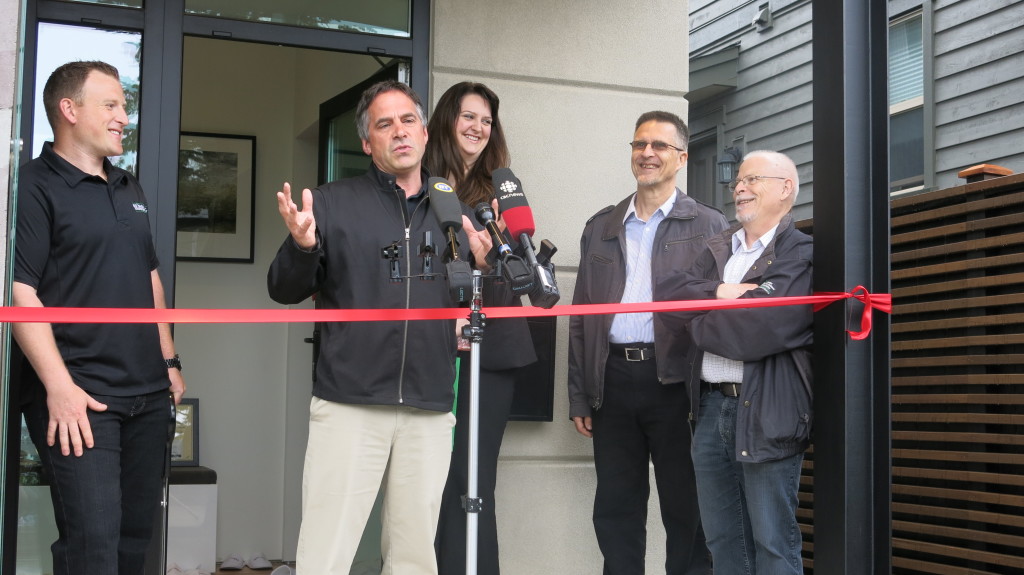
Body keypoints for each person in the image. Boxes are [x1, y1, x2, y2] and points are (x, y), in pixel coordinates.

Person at [267, 80, 493, 575]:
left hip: (429, 405)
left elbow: (471, 306)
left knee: (415, 557)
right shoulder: (331, 202)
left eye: (408, 120)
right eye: (384, 124)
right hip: (349, 402)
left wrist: (482, 269)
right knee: (325, 554)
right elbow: (282, 289)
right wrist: (303, 246)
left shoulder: (453, 208)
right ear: (367, 143)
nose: (400, 132)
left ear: (426, 132)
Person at [12, 60, 186, 575]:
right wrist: (59, 388)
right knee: (91, 547)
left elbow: (149, 279)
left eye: (123, 106)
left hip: (148, 396)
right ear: (70, 109)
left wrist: (170, 363)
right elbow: (21, 294)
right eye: (111, 104)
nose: (122, 117)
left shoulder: (128, 187)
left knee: (136, 545)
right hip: (81, 397)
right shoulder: (33, 187)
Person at [567, 110, 727, 575]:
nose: (647, 154)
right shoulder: (602, 226)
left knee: (687, 508)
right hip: (612, 381)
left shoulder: (709, 224)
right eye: (639, 145)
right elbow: (580, 317)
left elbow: (718, 315)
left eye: (658, 146)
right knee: (615, 509)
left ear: (681, 157)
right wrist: (580, 392)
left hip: (678, 382)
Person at [654, 150, 813, 575]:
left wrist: (698, 320)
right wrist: (726, 293)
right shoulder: (717, 248)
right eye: (737, 181)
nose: (739, 188)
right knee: (723, 541)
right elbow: (668, 295)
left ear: (786, 189)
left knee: (773, 543)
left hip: (767, 411)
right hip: (708, 410)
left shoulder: (799, 252)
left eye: (753, 179)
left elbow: (760, 331)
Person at [425, 82, 537, 575]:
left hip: (489, 356)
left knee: (474, 479)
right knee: (429, 479)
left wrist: (492, 259)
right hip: (428, 350)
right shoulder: (419, 186)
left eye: (486, 121)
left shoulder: (499, 197)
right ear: (447, 121)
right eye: (468, 116)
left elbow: (516, 280)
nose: (477, 128)